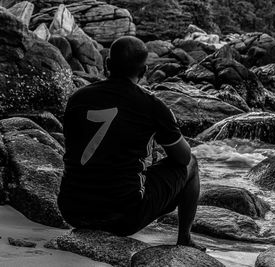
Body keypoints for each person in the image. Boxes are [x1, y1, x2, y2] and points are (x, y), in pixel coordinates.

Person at [58, 36, 201, 249]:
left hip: (72, 210)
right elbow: (183, 157)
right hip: (122, 217)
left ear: (107, 65)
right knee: (192, 164)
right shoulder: (152, 105)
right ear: (143, 72)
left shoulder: (78, 98)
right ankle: (184, 239)